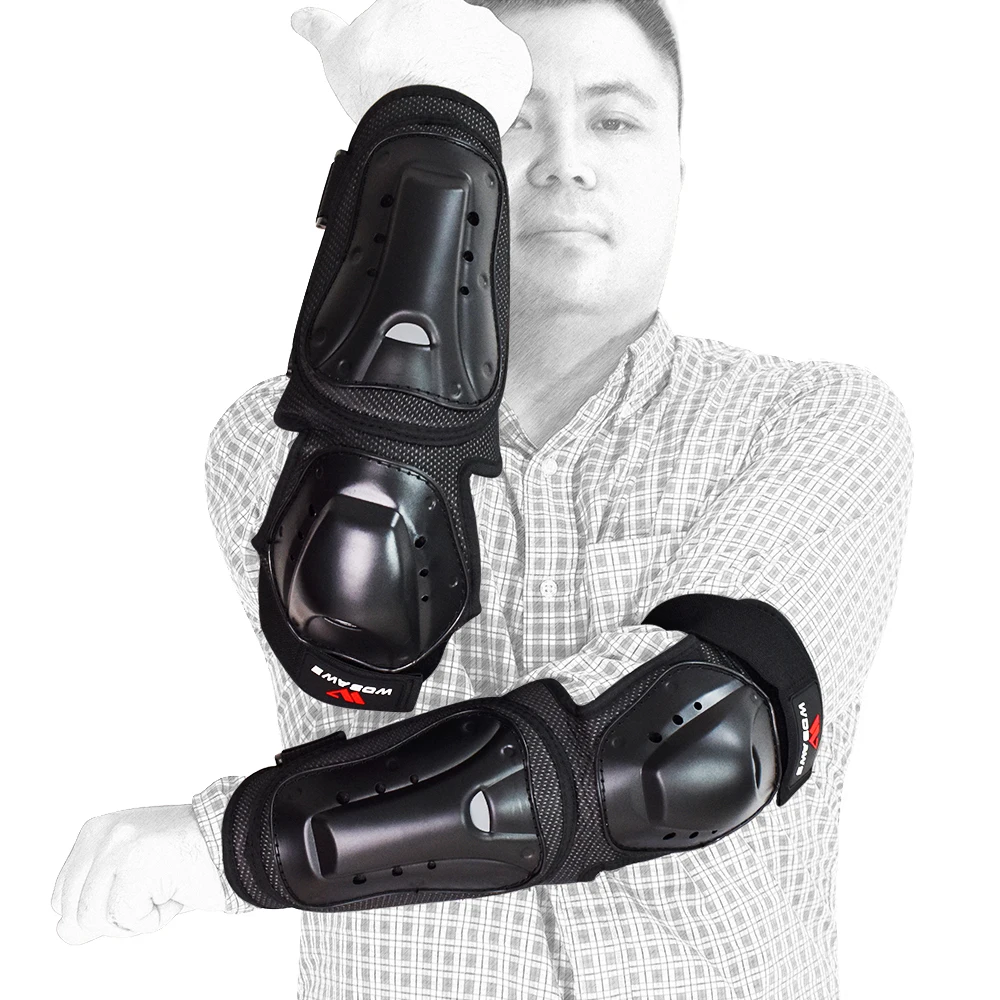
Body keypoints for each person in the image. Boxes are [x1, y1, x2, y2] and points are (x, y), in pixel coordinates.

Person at [50, 1, 913, 997]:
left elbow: (684, 746)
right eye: (514, 119)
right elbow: (363, 625)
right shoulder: (276, 441)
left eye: (615, 119)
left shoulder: (816, 419)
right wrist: (429, 120)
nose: (565, 164)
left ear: (679, 169)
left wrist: (233, 849)